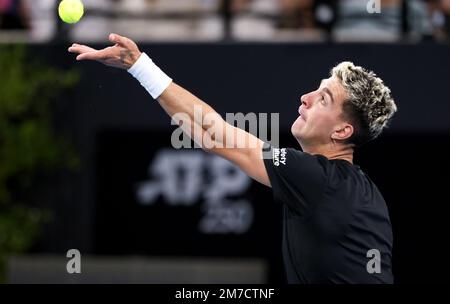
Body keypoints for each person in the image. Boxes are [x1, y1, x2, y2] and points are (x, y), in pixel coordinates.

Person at [68, 33, 397, 283]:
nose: (306, 98)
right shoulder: (361, 190)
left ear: (342, 131)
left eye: (323, 99)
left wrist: (139, 66)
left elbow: (211, 129)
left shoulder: (316, 178)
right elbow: (208, 134)